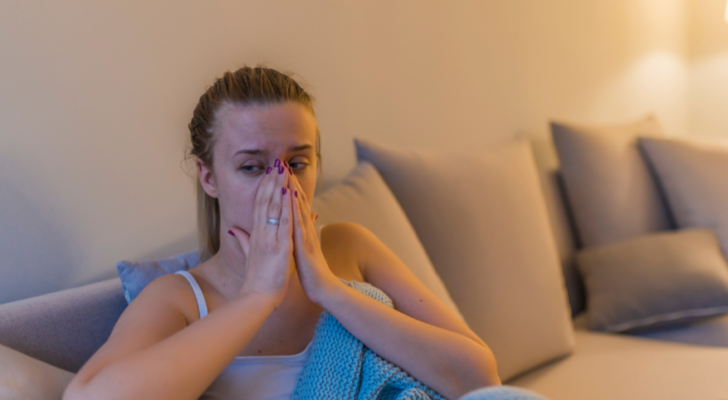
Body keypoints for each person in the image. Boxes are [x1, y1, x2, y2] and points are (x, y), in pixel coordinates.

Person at [62, 66, 501, 400]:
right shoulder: (180, 299)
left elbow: (483, 381)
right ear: (209, 177)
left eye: (298, 163)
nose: (283, 185)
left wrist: (330, 291)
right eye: (252, 167)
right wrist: (257, 297)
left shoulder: (349, 246)